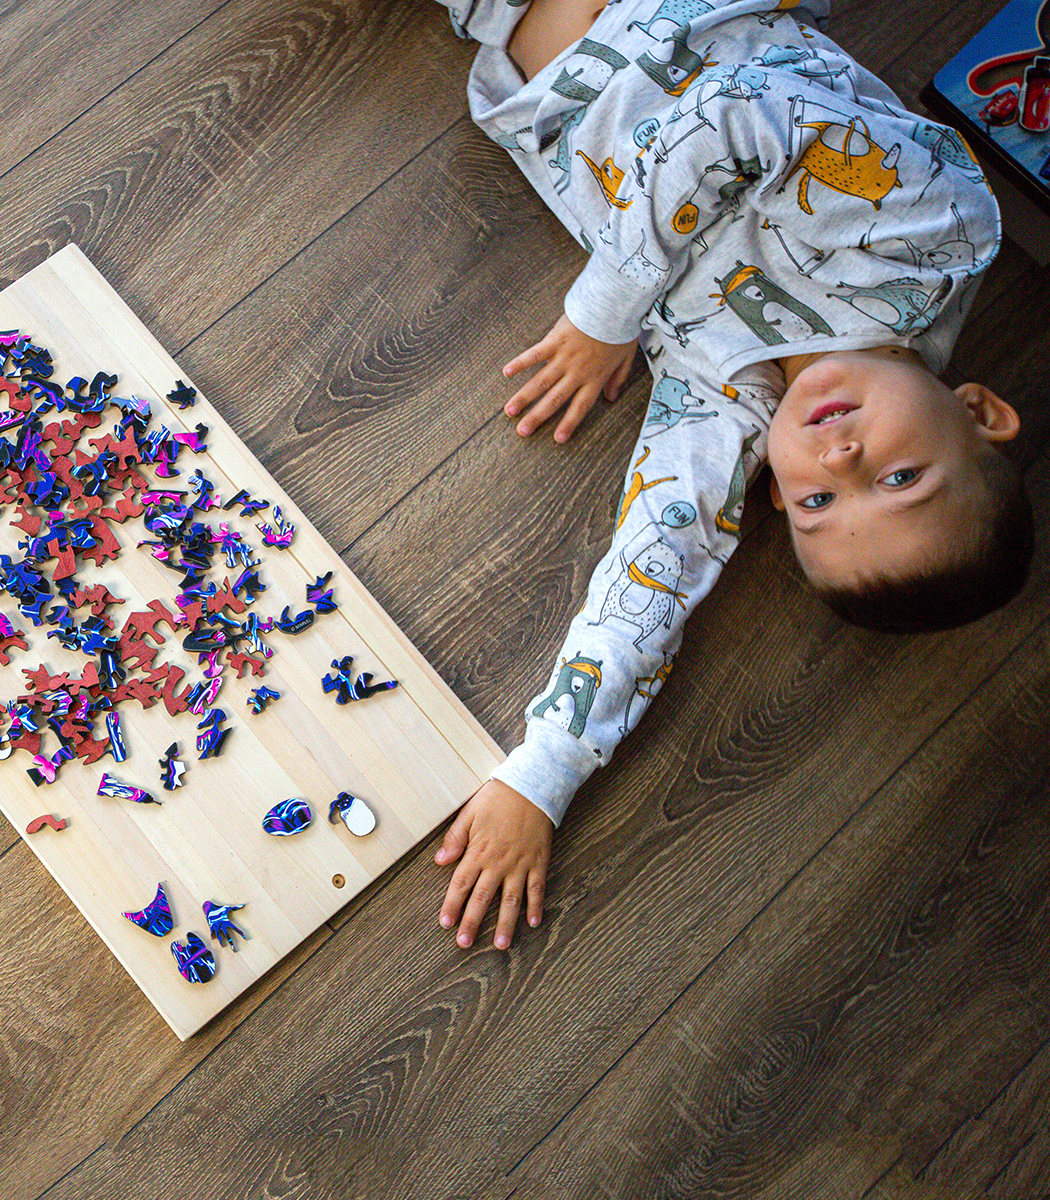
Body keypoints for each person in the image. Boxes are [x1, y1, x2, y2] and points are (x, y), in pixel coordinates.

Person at [428, 0, 1035, 950]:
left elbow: (652, 577)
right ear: (979, 412)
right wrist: (605, 316)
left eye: (820, 503)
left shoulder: (732, 406)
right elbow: (735, 111)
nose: (841, 457)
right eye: (903, 476)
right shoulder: (934, 233)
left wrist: (538, 779)